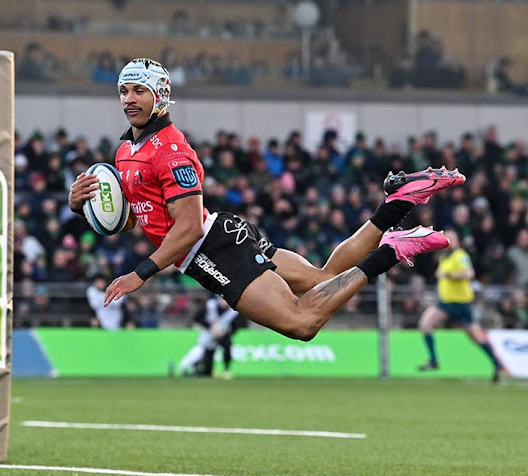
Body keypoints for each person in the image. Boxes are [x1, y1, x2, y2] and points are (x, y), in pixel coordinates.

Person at [68, 57, 465, 342]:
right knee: (323, 279)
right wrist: (82, 206)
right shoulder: (126, 149)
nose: (129, 98)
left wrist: (140, 273)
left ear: (161, 96)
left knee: (302, 323)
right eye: (124, 90)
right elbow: (141, 218)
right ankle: (395, 204)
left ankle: (390, 251)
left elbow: (186, 227)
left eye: (140, 90)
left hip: (213, 249)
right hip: (223, 234)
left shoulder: (171, 150)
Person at [417, 229, 505, 382]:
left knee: (475, 337)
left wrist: (450, 276)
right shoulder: (444, 257)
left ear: (457, 241)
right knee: (425, 324)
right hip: (445, 302)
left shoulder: (461, 256)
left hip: (461, 304)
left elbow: (469, 273)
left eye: (451, 238)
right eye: (446, 238)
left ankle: (496, 364)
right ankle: (433, 360)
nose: (447, 241)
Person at [179, 295, 247, 378]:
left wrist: (227, 332)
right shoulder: (210, 306)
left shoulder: (233, 311)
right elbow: (197, 318)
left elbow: (239, 325)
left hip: (224, 335)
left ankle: (226, 370)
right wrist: (209, 326)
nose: (224, 302)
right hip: (209, 333)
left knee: (227, 349)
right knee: (207, 352)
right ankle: (206, 371)